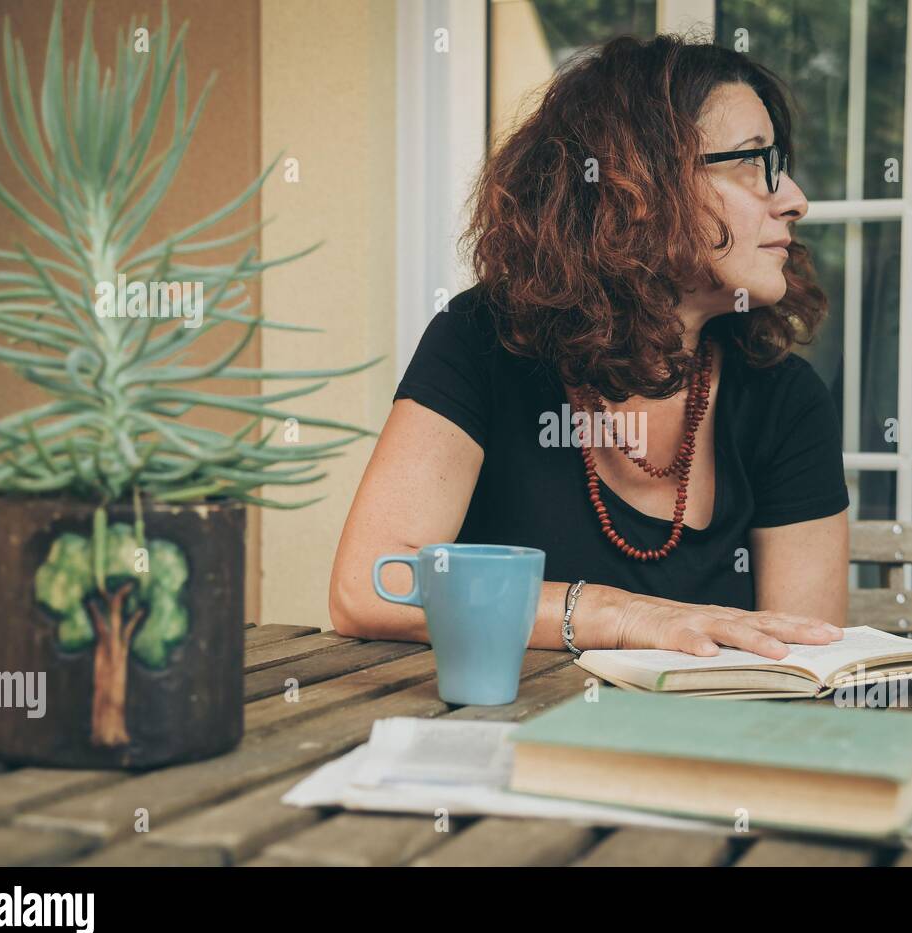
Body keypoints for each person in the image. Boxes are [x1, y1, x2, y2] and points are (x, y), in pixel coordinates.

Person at [330, 35, 849, 660]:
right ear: (636, 186)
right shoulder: (482, 339)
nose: (794, 199)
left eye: (780, 163)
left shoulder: (785, 399)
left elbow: (803, 660)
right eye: (751, 161)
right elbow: (371, 588)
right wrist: (615, 613)